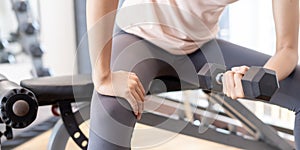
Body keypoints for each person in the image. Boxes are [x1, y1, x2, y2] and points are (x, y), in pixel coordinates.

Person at [86, 0, 299, 149]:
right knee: (113, 107)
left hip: (199, 48)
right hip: (139, 38)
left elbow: (287, 49)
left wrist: (258, 76)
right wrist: (103, 75)